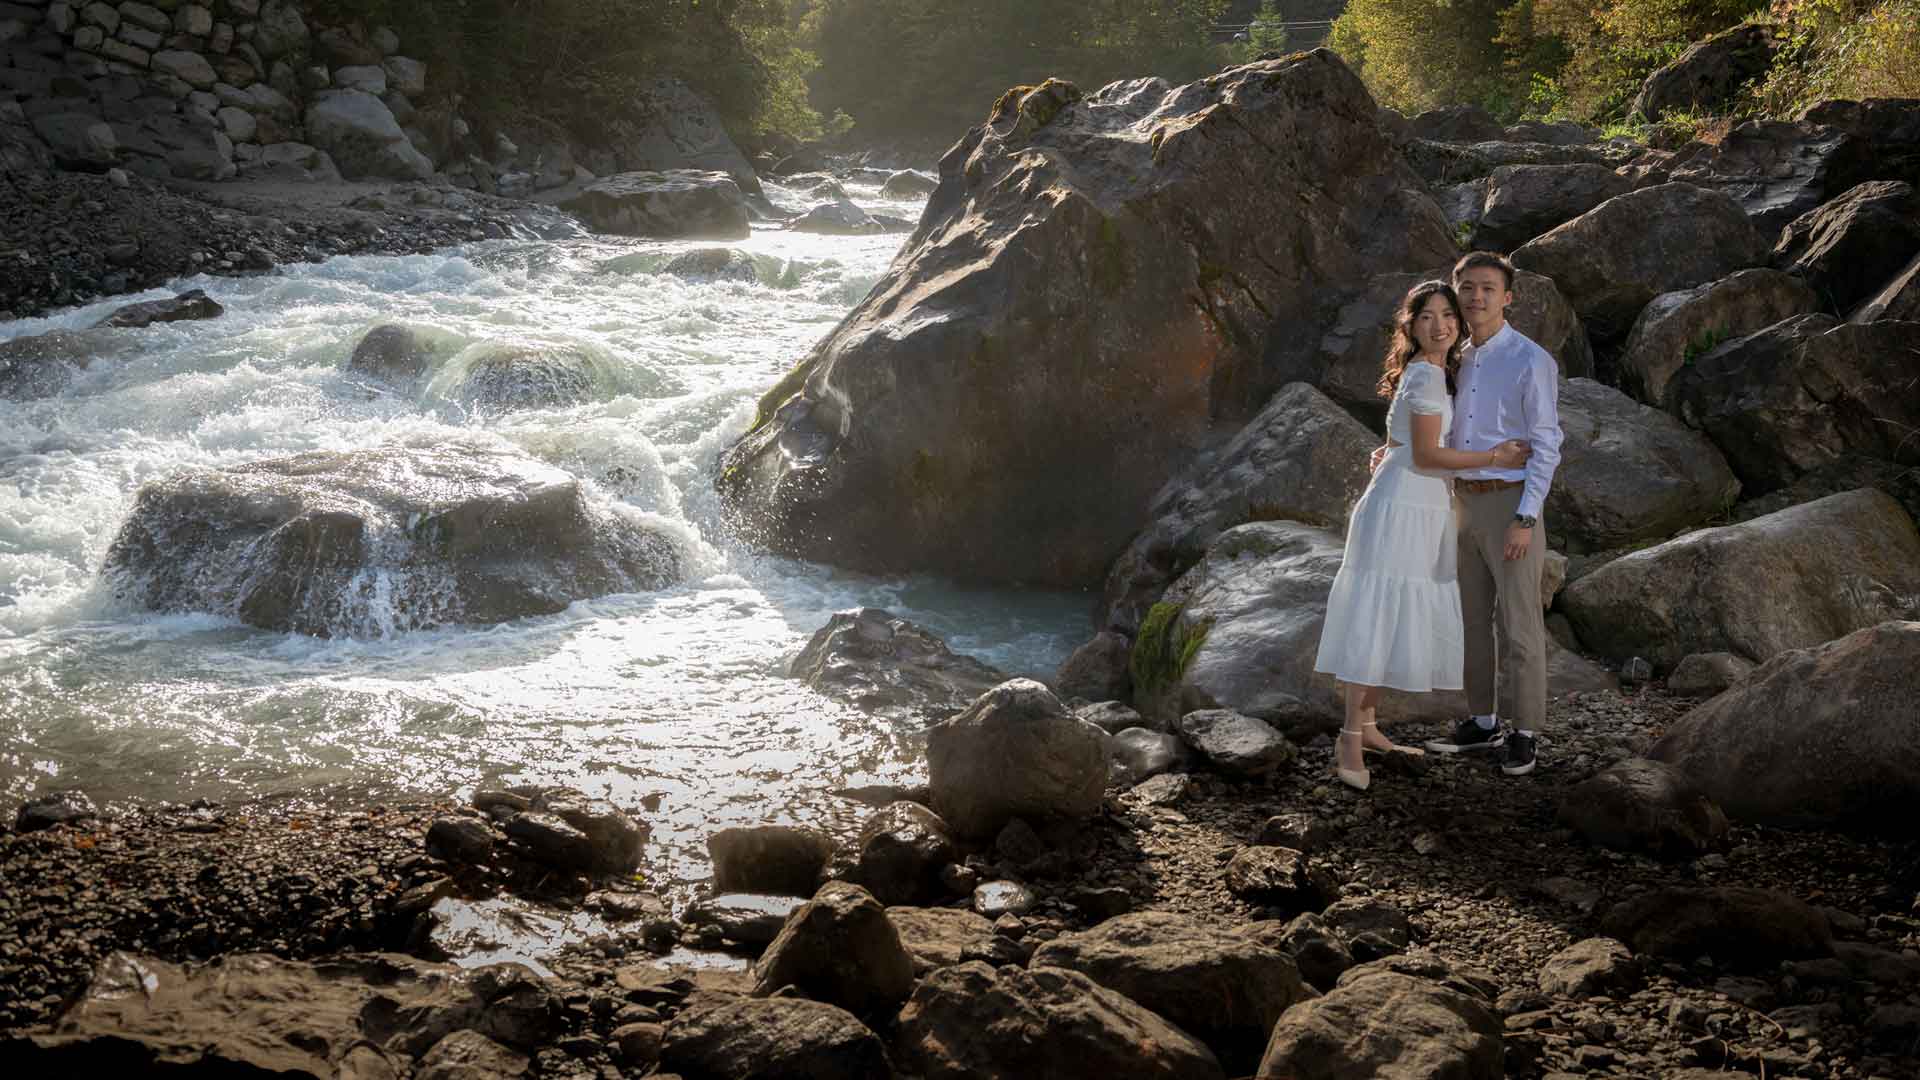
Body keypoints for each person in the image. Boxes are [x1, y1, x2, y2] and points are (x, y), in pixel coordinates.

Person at [1313, 280, 1530, 792]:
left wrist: (1390, 454)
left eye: (1448, 315)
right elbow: (1431, 457)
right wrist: (1493, 458)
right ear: (1410, 325)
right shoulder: (1428, 378)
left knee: (1390, 614)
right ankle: (1348, 737)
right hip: (1403, 508)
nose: (1441, 325)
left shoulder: (1429, 372)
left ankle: (1367, 725)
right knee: (1378, 615)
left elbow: (1396, 440)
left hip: (1414, 502)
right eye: (1427, 316)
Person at [1422, 251, 1564, 777]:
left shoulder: (1530, 360)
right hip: (1461, 502)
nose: (1475, 297)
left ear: (1508, 297)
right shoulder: (1456, 357)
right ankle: (1481, 722)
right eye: (1467, 288)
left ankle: (1524, 733)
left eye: (1487, 288)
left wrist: (1526, 518)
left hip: (1509, 502)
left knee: (1519, 622)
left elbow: (1547, 444)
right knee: (1472, 621)